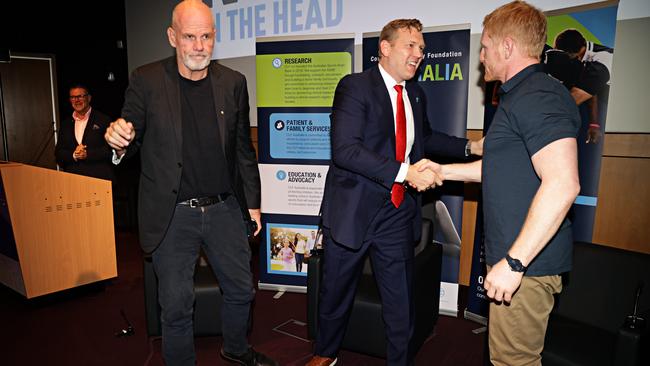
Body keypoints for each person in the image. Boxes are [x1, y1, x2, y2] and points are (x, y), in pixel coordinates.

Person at [103, 1, 276, 365]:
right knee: (178, 303)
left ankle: (236, 348)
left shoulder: (233, 82)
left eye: (206, 36)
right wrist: (119, 138)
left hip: (225, 207)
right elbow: (129, 132)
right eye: (189, 37)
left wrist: (254, 204)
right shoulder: (146, 80)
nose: (199, 46)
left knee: (243, 289)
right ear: (172, 37)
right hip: (172, 213)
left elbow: (243, 149)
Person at [306, 18, 482, 366]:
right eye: (411, 46)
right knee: (335, 293)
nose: (419, 54)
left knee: (400, 299)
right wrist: (405, 172)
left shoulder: (415, 92)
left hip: (396, 212)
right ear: (385, 49)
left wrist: (471, 147)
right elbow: (345, 150)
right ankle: (325, 355)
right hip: (353, 211)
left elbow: (426, 138)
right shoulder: (355, 87)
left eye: (422, 49)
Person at [418, 2, 581, 365]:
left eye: (486, 45)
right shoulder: (520, 96)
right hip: (521, 263)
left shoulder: (537, 96)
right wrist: (443, 171)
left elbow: (563, 183)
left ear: (508, 47)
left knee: (514, 362)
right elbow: (498, 166)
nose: (481, 56)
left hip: (527, 267)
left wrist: (514, 263)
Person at [543, 28, 613, 144]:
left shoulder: (602, 62)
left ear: (570, 54)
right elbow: (591, 89)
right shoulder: (584, 53)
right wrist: (594, 124)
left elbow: (570, 101)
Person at [55, 84, 114, 181]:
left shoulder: (103, 120)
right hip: (72, 181)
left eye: (80, 96)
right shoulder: (66, 124)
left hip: (99, 180)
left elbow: (111, 151)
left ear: (89, 98)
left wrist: (88, 154)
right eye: (73, 97)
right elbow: (59, 153)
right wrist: (74, 155)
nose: (76, 100)